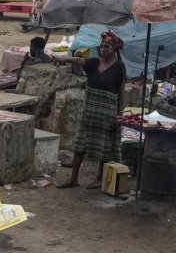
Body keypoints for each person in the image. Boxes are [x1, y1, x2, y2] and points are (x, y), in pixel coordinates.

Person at [50, 31, 126, 188]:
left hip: (106, 113)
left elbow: (121, 91)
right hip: (89, 111)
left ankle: (99, 178)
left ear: (114, 49)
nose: (103, 49)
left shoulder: (119, 66)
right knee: (80, 144)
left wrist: (120, 116)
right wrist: (64, 58)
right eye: (102, 46)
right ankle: (73, 179)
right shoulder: (93, 63)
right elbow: (79, 60)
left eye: (107, 47)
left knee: (103, 146)